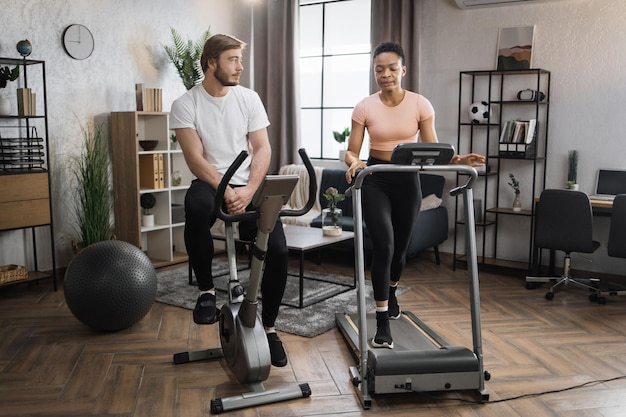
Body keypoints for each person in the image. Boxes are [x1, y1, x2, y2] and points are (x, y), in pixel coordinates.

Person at [344, 41, 485, 349]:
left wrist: (457, 160)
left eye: (392, 69)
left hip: (407, 179)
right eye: (379, 69)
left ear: (403, 70)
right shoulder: (365, 106)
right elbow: (351, 151)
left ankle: (391, 292)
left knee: (400, 250)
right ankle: (382, 320)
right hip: (376, 178)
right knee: (384, 244)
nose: (385, 75)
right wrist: (355, 163)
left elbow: (433, 150)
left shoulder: (420, 104)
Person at [170, 34, 289, 367]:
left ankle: (269, 327)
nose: (239, 66)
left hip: (248, 183)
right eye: (233, 59)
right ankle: (206, 291)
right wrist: (226, 189)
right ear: (211, 62)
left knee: (277, 249)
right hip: (210, 182)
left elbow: (262, 148)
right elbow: (195, 159)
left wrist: (249, 190)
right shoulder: (186, 104)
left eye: (240, 59)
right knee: (194, 207)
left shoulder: (248, 98)